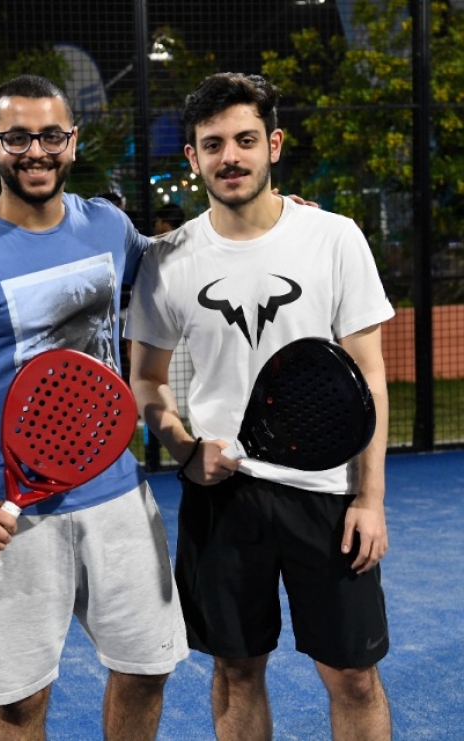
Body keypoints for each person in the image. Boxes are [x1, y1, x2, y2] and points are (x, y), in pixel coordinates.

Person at [0, 74, 188, 741]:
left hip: (118, 497)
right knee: (19, 705)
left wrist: (262, 218)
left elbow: (175, 261)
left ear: (72, 142)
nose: (36, 151)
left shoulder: (107, 225)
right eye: (18, 137)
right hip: (11, 513)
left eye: (51, 136)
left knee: (147, 668)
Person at [125, 72, 394, 741]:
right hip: (223, 498)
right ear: (192, 157)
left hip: (327, 492)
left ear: (273, 144)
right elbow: (146, 381)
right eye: (213, 144)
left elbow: (369, 376)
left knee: (353, 676)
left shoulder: (334, 237)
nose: (230, 156)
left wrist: (370, 499)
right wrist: (186, 449)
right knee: (236, 669)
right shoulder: (167, 259)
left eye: (245, 140)